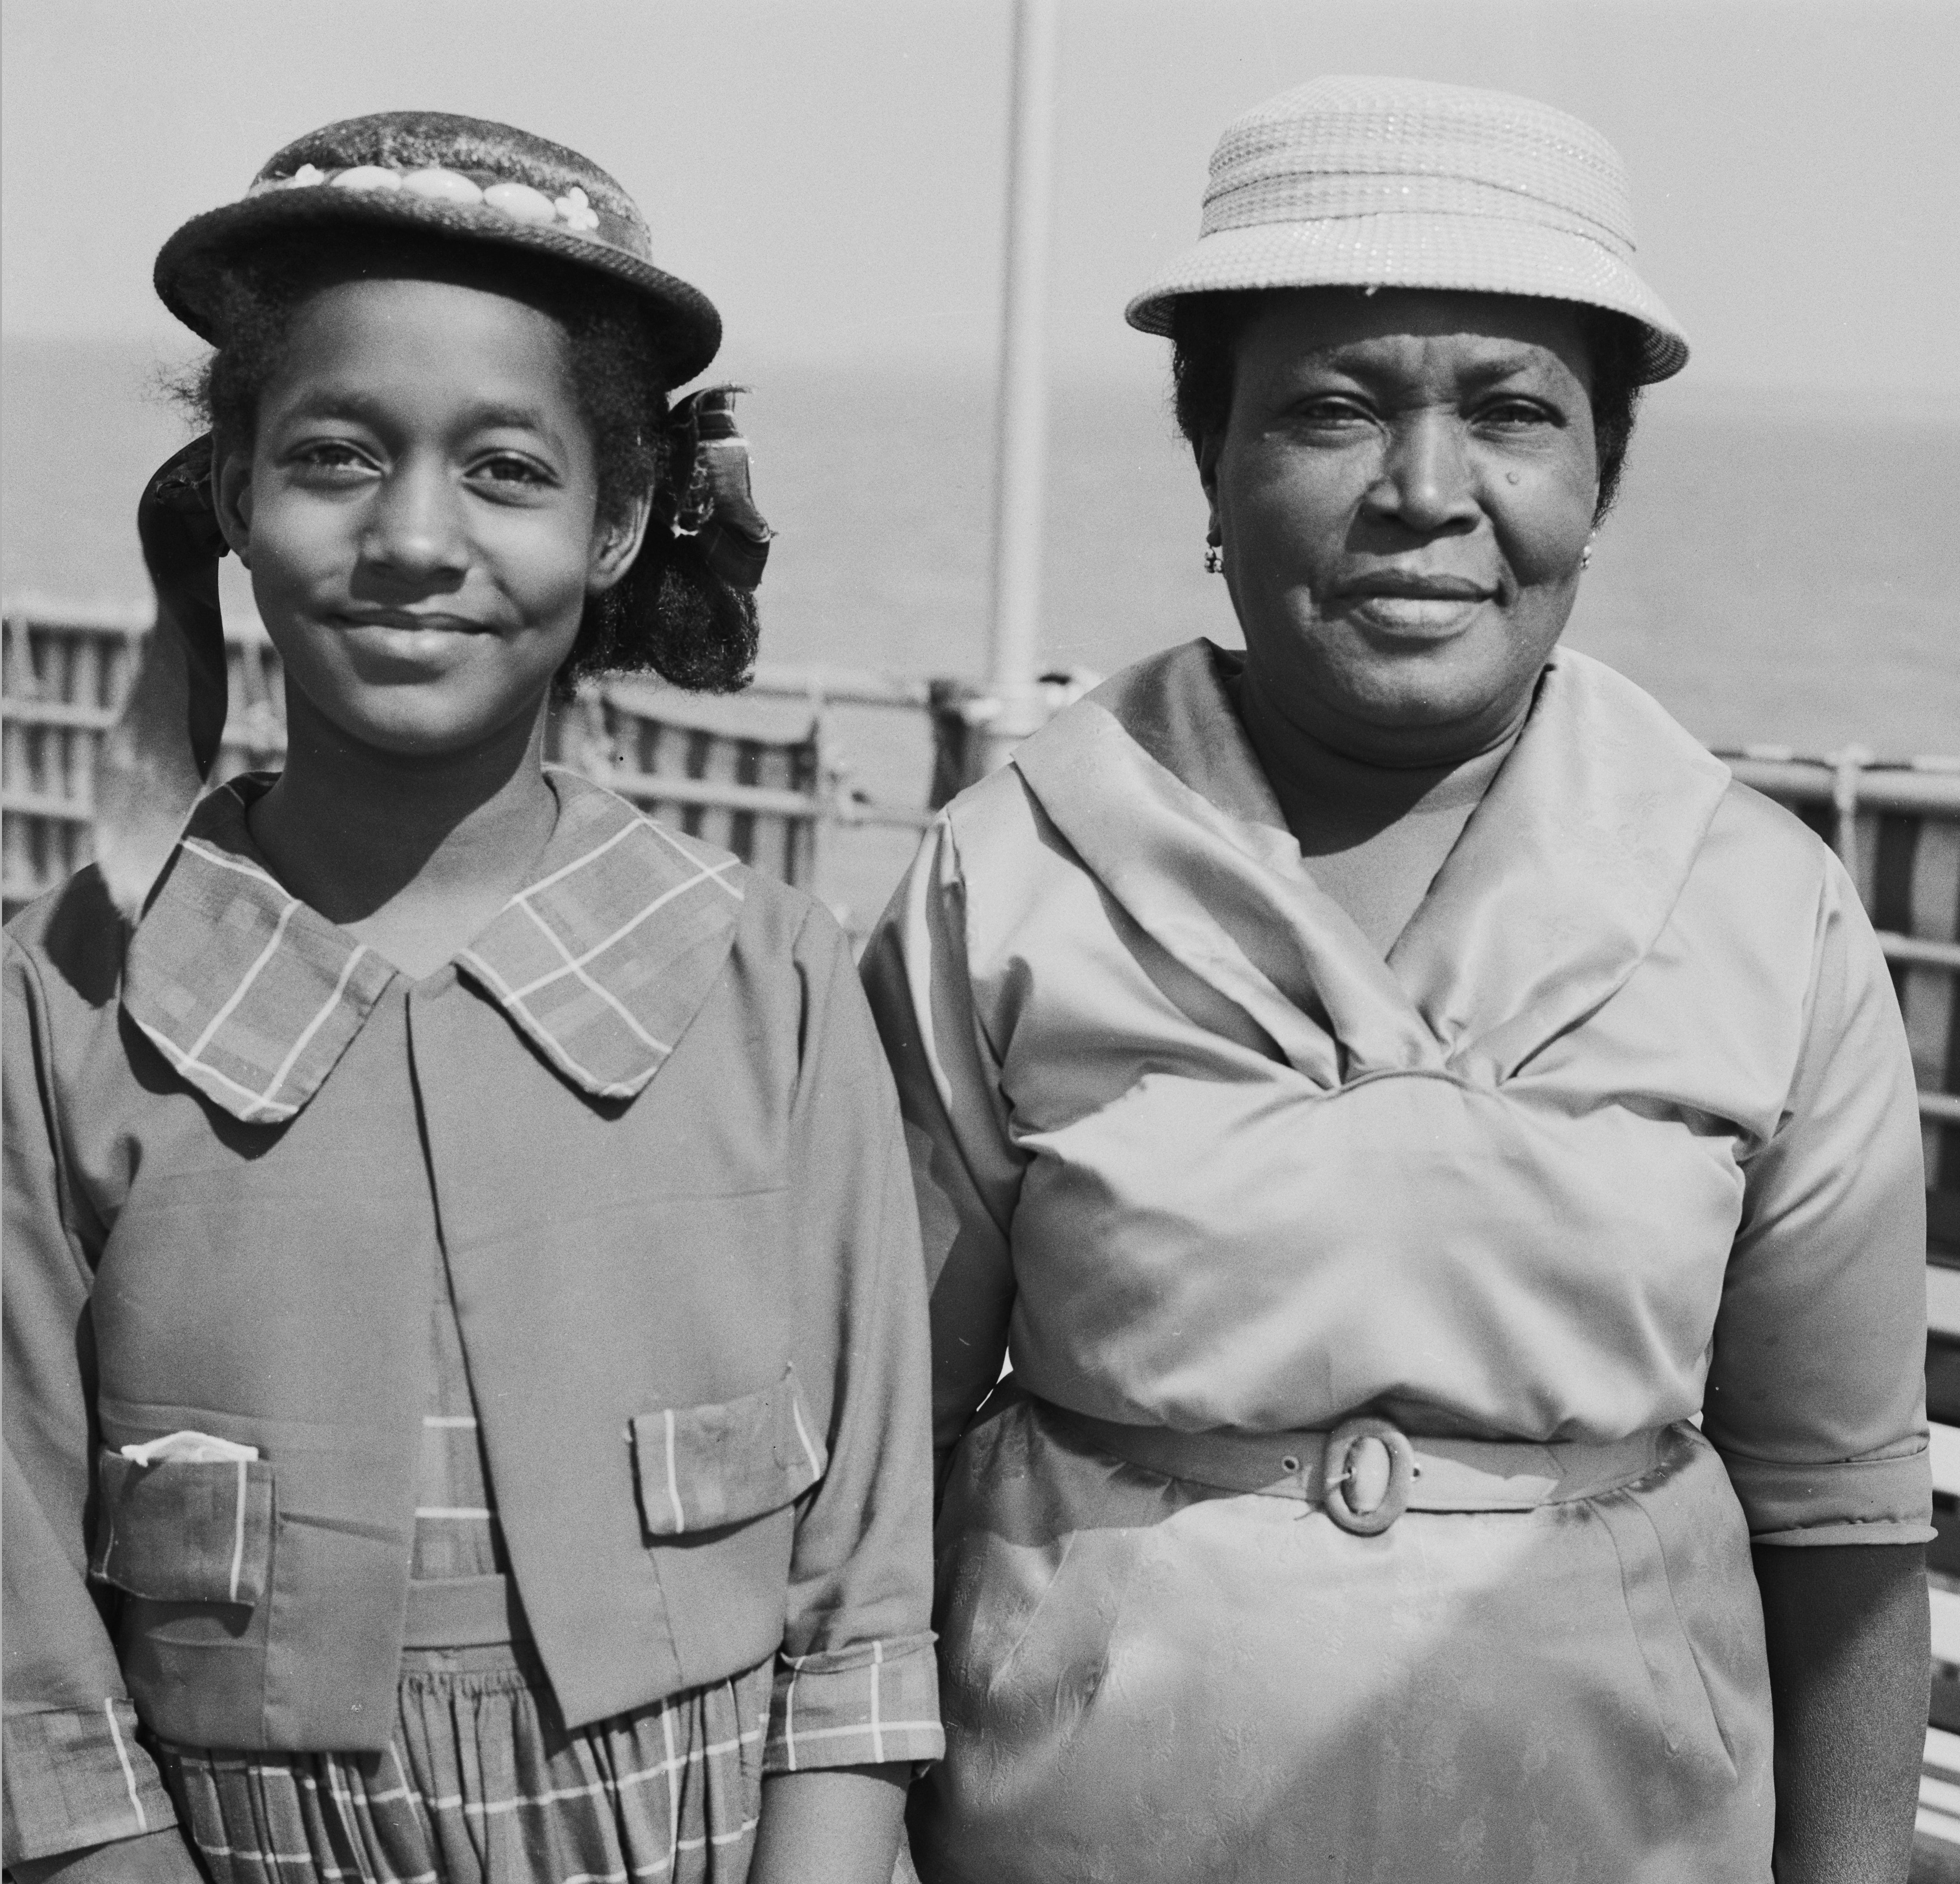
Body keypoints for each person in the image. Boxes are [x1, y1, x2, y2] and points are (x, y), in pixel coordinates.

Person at [861, 75, 1930, 1883]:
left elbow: (1842, 1518)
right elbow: (871, 1486)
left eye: (1513, 413)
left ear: (1603, 479)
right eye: (1332, 411)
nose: (1425, 496)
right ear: (1211, 465)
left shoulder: (1762, 905)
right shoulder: (1009, 872)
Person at [3, 112, 941, 1884]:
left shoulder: (774, 979)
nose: (416, 537)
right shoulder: (57, 1009)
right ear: (231, 497)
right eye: (338, 456)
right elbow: (26, 1665)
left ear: (621, 522)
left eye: (507, 470)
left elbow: (865, 1597)